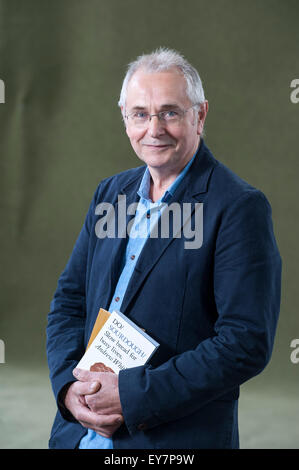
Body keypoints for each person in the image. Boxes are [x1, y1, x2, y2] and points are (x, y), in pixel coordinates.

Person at [46, 47, 282, 449]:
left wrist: (132, 395)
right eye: (140, 114)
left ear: (200, 115)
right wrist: (69, 388)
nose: (153, 129)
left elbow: (245, 342)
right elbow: (70, 300)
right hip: (80, 433)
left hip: (171, 440)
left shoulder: (238, 207)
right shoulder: (111, 194)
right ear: (125, 118)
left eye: (170, 112)